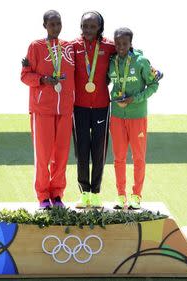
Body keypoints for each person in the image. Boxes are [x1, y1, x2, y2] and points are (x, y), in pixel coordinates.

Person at [21, 10, 75, 208]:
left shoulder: (68, 47)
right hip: (42, 108)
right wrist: (42, 80)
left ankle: (57, 194)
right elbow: (25, 75)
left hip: (65, 109)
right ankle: (43, 195)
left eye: (58, 23)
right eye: (52, 24)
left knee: (61, 154)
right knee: (43, 155)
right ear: (44, 25)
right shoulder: (35, 47)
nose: (56, 27)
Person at [108, 27, 160, 210]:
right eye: (118, 44)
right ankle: (121, 196)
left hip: (137, 116)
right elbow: (105, 81)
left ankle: (136, 196)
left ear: (131, 43)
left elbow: (154, 85)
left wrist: (134, 99)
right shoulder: (112, 61)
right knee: (119, 158)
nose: (121, 47)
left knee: (138, 157)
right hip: (116, 116)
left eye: (124, 43)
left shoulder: (141, 61)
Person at [72, 11, 116, 208]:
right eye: (85, 26)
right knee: (82, 151)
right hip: (79, 106)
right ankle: (84, 193)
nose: (88, 30)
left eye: (92, 26)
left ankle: (96, 192)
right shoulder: (72, 46)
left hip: (101, 106)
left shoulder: (109, 46)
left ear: (100, 27)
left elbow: (127, 54)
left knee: (99, 150)